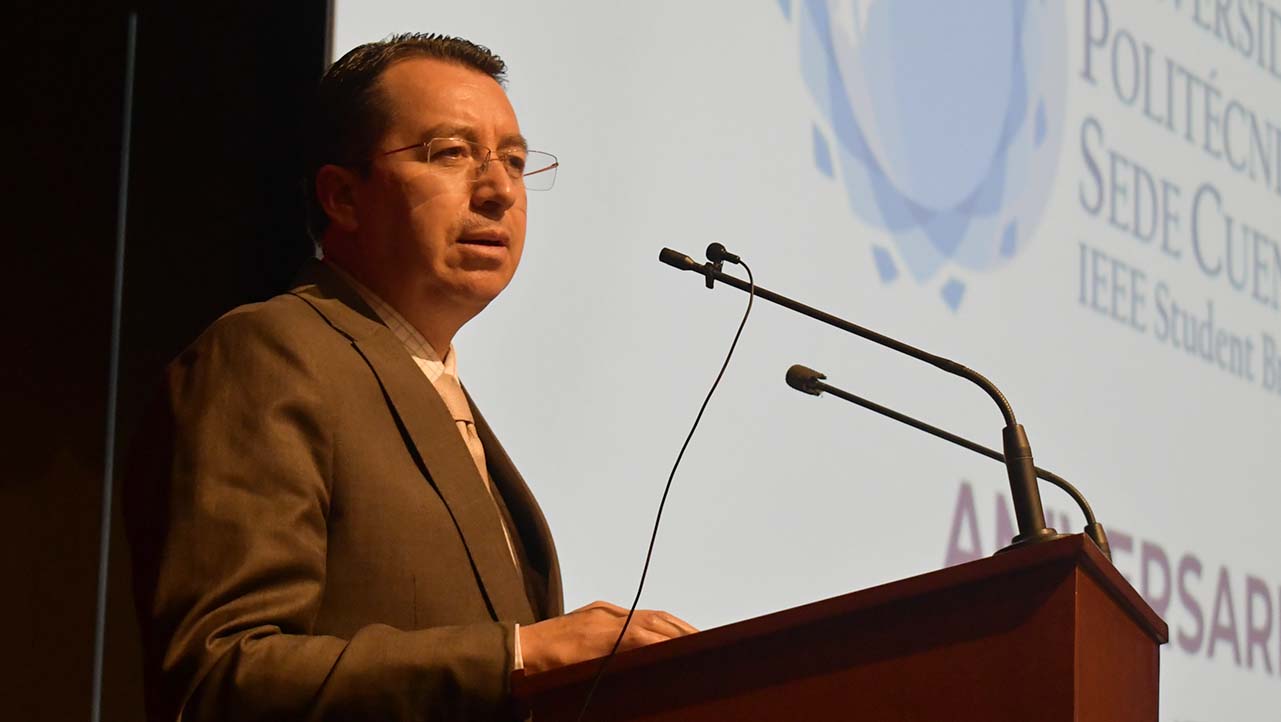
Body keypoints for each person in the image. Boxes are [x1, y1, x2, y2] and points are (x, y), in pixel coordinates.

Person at [124, 33, 695, 722]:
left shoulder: (434, 384)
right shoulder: (271, 352)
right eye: (450, 154)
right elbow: (221, 674)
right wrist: (522, 653)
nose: (497, 192)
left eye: (513, 162)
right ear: (341, 196)